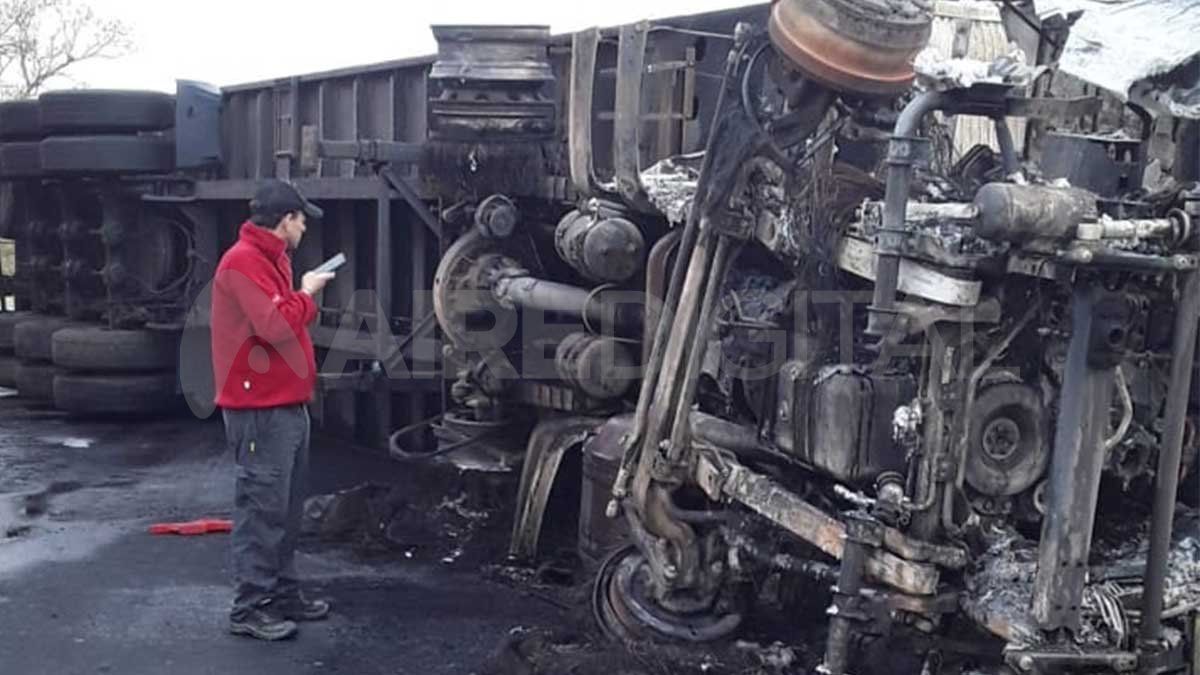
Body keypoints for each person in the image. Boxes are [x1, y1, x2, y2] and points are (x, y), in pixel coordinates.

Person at [210, 179, 335, 641]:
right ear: (286, 220)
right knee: (262, 509)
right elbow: (274, 326)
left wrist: (297, 293)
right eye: (302, 218)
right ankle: (250, 607)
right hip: (260, 409)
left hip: (282, 405)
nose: (305, 226)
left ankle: (280, 593)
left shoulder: (269, 259)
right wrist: (307, 294)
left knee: (284, 507)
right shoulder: (243, 262)